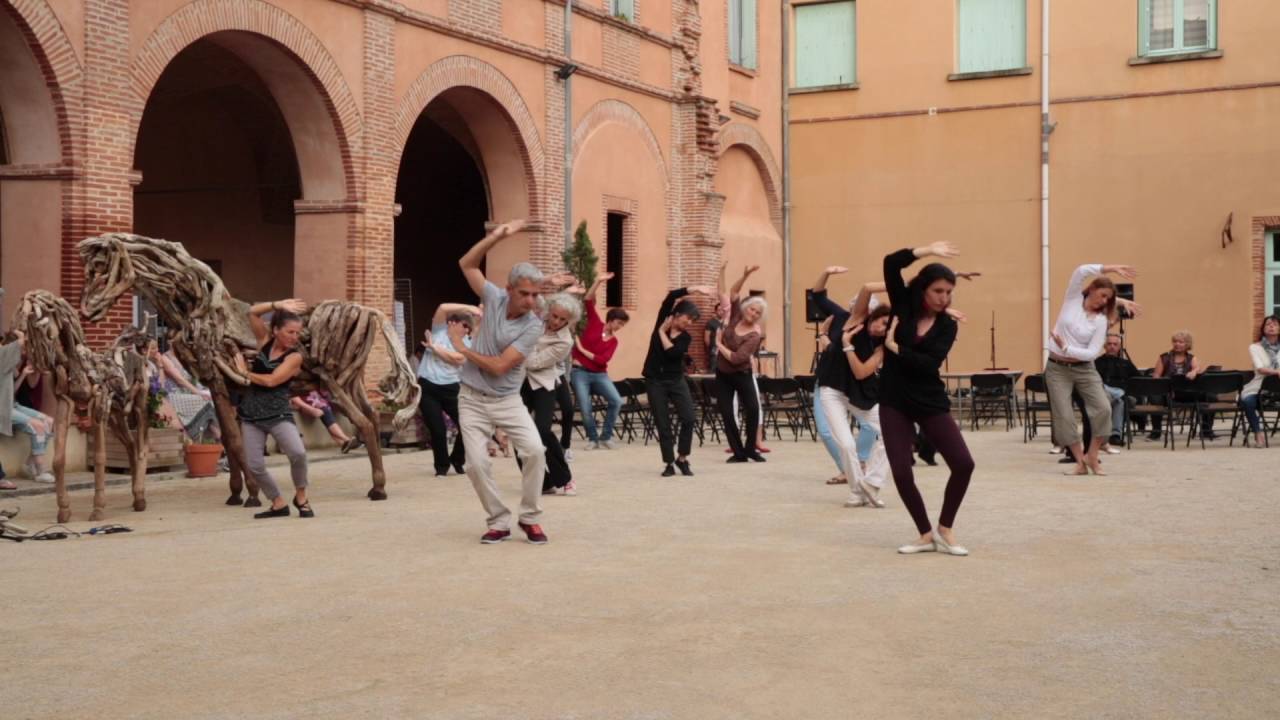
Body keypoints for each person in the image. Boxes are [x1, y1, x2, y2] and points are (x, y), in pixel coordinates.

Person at [452, 220, 549, 545]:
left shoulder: (532, 326)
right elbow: (467, 264)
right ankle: (498, 521)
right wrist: (495, 237)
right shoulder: (493, 297)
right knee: (476, 464)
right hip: (471, 398)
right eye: (524, 293)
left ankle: (530, 517)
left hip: (507, 400)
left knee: (534, 451)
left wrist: (463, 348)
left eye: (536, 294)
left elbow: (499, 367)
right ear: (509, 290)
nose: (531, 301)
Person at [880, 243, 973, 556]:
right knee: (901, 471)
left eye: (949, 292)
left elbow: (928, 364)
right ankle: (924, 534)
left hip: (928, 398)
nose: (944, 298)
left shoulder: (947, 325)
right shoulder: (902, 305)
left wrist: (895, 348)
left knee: (963, 464)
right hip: (894, 398)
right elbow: (891, 263)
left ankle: (945, 529)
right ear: (923, 288)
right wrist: (926, 250)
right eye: (938, 291)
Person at [811, 266, 892, 508]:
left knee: (894, 433)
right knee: (846, 444)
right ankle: (857, 492)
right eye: (882, 322)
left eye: (887, 327)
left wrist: (846, 345)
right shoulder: (851, 319)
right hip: (832, 389)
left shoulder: (881, 345)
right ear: (872, 315)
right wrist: (904, 286)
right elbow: (819, 295)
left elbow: (861, 372)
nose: (882, 328)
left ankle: (871, 483)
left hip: (861, 393)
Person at [1045, 263, 1137, 476]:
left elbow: (1092, 353)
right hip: (1057, 368)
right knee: (1064, 416)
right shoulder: (1072, 299)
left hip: (1084, 369)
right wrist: (1110, 268)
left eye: (1108, 299)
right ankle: (1080, 462)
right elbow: (1080, 271)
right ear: (1092, 289)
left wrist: (1066, 348)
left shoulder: (1101, 321)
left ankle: (1092, 455)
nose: (1104, 301)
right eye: (1103, 295)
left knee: (1104, 408)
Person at [233, 299, 313, 519]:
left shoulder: (294, 357)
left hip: (278, 414)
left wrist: (244, 373)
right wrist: (278, 305)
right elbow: (252, 312)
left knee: (298, 453)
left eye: (297, 333)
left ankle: (301, 496)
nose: (295, 337)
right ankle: (278, 503)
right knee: (254, 465)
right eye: (290, 332)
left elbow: (271, 381)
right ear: (276, 330)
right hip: (251, 414)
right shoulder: (264, 341)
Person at [643, 284, 713, 477]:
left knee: (689, 418)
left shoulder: (685, 338)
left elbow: (672, 353)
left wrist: (660, 333)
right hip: (655, 381)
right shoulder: (663, 319)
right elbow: (671, 297)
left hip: (675, 380)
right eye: (687, 318)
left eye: (692, 320)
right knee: (663, 422)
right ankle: (668, 463)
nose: (689, 322)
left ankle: (682, 459)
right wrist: (695, 289)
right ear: (676, 314)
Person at [522, 292, 580, 495]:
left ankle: (565, 479)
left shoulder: (565, 341)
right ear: (549, 311)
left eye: (563, 319)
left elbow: (534, 363)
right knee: (519, 432)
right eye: (555, 316)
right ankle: (543, 483)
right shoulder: (536, 321)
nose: (557, 322)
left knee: (542, 431)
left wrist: (519, 350)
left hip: (544, 384)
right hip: (520, 382)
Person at [417, 303, 479, 477]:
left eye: (468, 328)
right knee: (437, 429)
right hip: (428, 387)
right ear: (453, 323)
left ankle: (457, 459)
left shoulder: (467, 343)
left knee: (467, 425)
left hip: (452, 388)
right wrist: (471, 309)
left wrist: (433, 347)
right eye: (464, 326)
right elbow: (443, 308)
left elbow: (457, 359)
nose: (466, 330)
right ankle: (441, 467)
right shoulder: (439, 331)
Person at [714, 265, 767, 463]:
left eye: (757, 313)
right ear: (746, 308)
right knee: (727, 413)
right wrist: (745, 275)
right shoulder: (736, 315)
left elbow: (737, 358)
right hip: (723, 374)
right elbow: (734, 292)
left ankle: (750, 449)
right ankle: (738, 453)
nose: (753, 313)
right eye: (752, 309)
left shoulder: (754, 335)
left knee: (753, 409)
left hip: (742, 374)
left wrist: (719, 344)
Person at [570, 272, 629, 450]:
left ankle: (606, 436)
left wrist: (582, 351)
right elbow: (588, 300)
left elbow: (603, 361)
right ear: (611, 320)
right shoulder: (595, 322)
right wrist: (598, 281)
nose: (620, 327)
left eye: (622, 325)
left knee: (616, 401)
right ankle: (592, 439)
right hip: (579, 373)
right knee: (585, 406)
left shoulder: (614, 341)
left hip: (600, 374)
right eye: (619, 323)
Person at [0, 330, 54, 486]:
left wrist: (23, 374)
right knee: (37, 425)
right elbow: (18, 343)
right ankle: (40, 469)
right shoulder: (3, 359)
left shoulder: (9, 364)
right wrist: (21, 336)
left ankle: (30, 463)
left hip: (12, 404)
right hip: (3, 408)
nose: (24, 352)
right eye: (23, 348)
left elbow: (12, 391)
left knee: (48, 421)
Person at [145, 338, 218, 442]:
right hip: (169, 395)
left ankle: (217, 440)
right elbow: (175, 382)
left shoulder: (155, 363)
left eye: (157, 347)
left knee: (211, 401)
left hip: (170, 394)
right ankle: (215, 439)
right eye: (153, 348)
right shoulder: (162, 359)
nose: (156, 350)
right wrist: (160, 366)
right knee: (205, 401)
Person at [1149, 330, 1213, 441]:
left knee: (1211, 396)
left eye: (1180, 342)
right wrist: (1164, 386)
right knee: (1155, 397)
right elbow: (1156, 376)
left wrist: (1194, 371)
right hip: (1169, 393)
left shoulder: (1192, 358)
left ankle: (1206, 430)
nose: (1177, 344)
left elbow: (1199, 369)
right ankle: (1156, 431)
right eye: (1175, 341)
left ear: (1187, 344)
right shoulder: (1164, 357)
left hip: (1187, 393)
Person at [1094, 333, 1141, 451]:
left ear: (1119, 347)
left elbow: (1139, 381)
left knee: (1119, 400)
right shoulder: (1096, 363)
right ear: (1104, 346)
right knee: (1114, 397)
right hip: (1102, 395)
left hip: (1126, 396)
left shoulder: (1126, 363)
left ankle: (1113, 435)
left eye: (1115, 344)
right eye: (1109, 344)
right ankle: (1115, 435)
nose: (1112, 347)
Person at [1240, 315, 1280, 448]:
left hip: (1277, 389)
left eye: (1275, 324)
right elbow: (1260, 368)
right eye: (1268, 324)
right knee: (1247, 401)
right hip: (1258, 387)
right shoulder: (1255, 347)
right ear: (1263, 329)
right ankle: (1258, 433)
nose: (1271, 326)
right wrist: (1277, 372)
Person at [290, 391, 358, 452]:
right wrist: (311, 409)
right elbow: (294, 397)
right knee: (325, 410)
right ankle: (346, 439)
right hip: (307, 403)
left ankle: (344, 443)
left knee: (326, 409)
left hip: (316, 400)